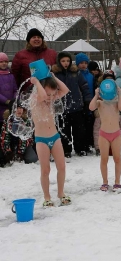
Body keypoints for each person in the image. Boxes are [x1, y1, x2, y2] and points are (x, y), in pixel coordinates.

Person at [29, 75, 70, 207]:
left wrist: (53, 77)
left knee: (62, 167)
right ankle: (47, 197)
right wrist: (36, 82)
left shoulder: (50, 99)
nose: (51, 97)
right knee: (45, 169)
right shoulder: (34, 99)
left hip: (54, 136)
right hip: (41, 139)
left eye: (53, 94)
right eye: (49, 94)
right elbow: (41, 95)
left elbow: (65, 90)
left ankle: (61, 193)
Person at [52, 52, 92, 158]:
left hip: (77, 106)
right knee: (64, 130)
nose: (66, 63)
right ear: (59, 62)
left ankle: (80, 148)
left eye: (68, 61)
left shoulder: (76, 73)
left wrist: (87, 100)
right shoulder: (55, 74)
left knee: (79, 130)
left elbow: (84, 86)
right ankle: (66, 150)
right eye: (63, 61)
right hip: (61, 108)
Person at [89, 79, 121, 192]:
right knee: (104, 159)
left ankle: (117, 181)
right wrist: (96, 95)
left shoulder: (116, 103)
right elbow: (91, 107)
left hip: (116, 134)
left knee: (117, 158)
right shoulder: (100, 103)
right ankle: (105, 182)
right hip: (104, 134)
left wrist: (119, 94)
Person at [76, 53, 95, 153]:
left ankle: (89, 143)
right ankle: (83, 145)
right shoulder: (76, 74)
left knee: (90, 124)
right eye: (81, 63)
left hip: (90, 101)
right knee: (81, 126)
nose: (83, 65)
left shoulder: (90, 75)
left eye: (85, 63)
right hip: (80, 103)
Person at [0, 52, 18, 126]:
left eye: (6, 61)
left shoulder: (11, 75)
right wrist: (6, 101)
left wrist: (14, 99)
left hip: (11, 106)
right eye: (1, 62)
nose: (4, 63)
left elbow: (15, 89)